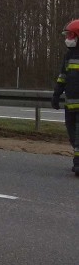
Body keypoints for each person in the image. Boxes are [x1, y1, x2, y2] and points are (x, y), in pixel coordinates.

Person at [51, 18, 79, 177]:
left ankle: (78, 164)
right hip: (71, 105)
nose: (68, 39)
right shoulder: (68, 56)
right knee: (72, 134)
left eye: (70, 35)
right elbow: (62, 77)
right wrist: (56, 95)